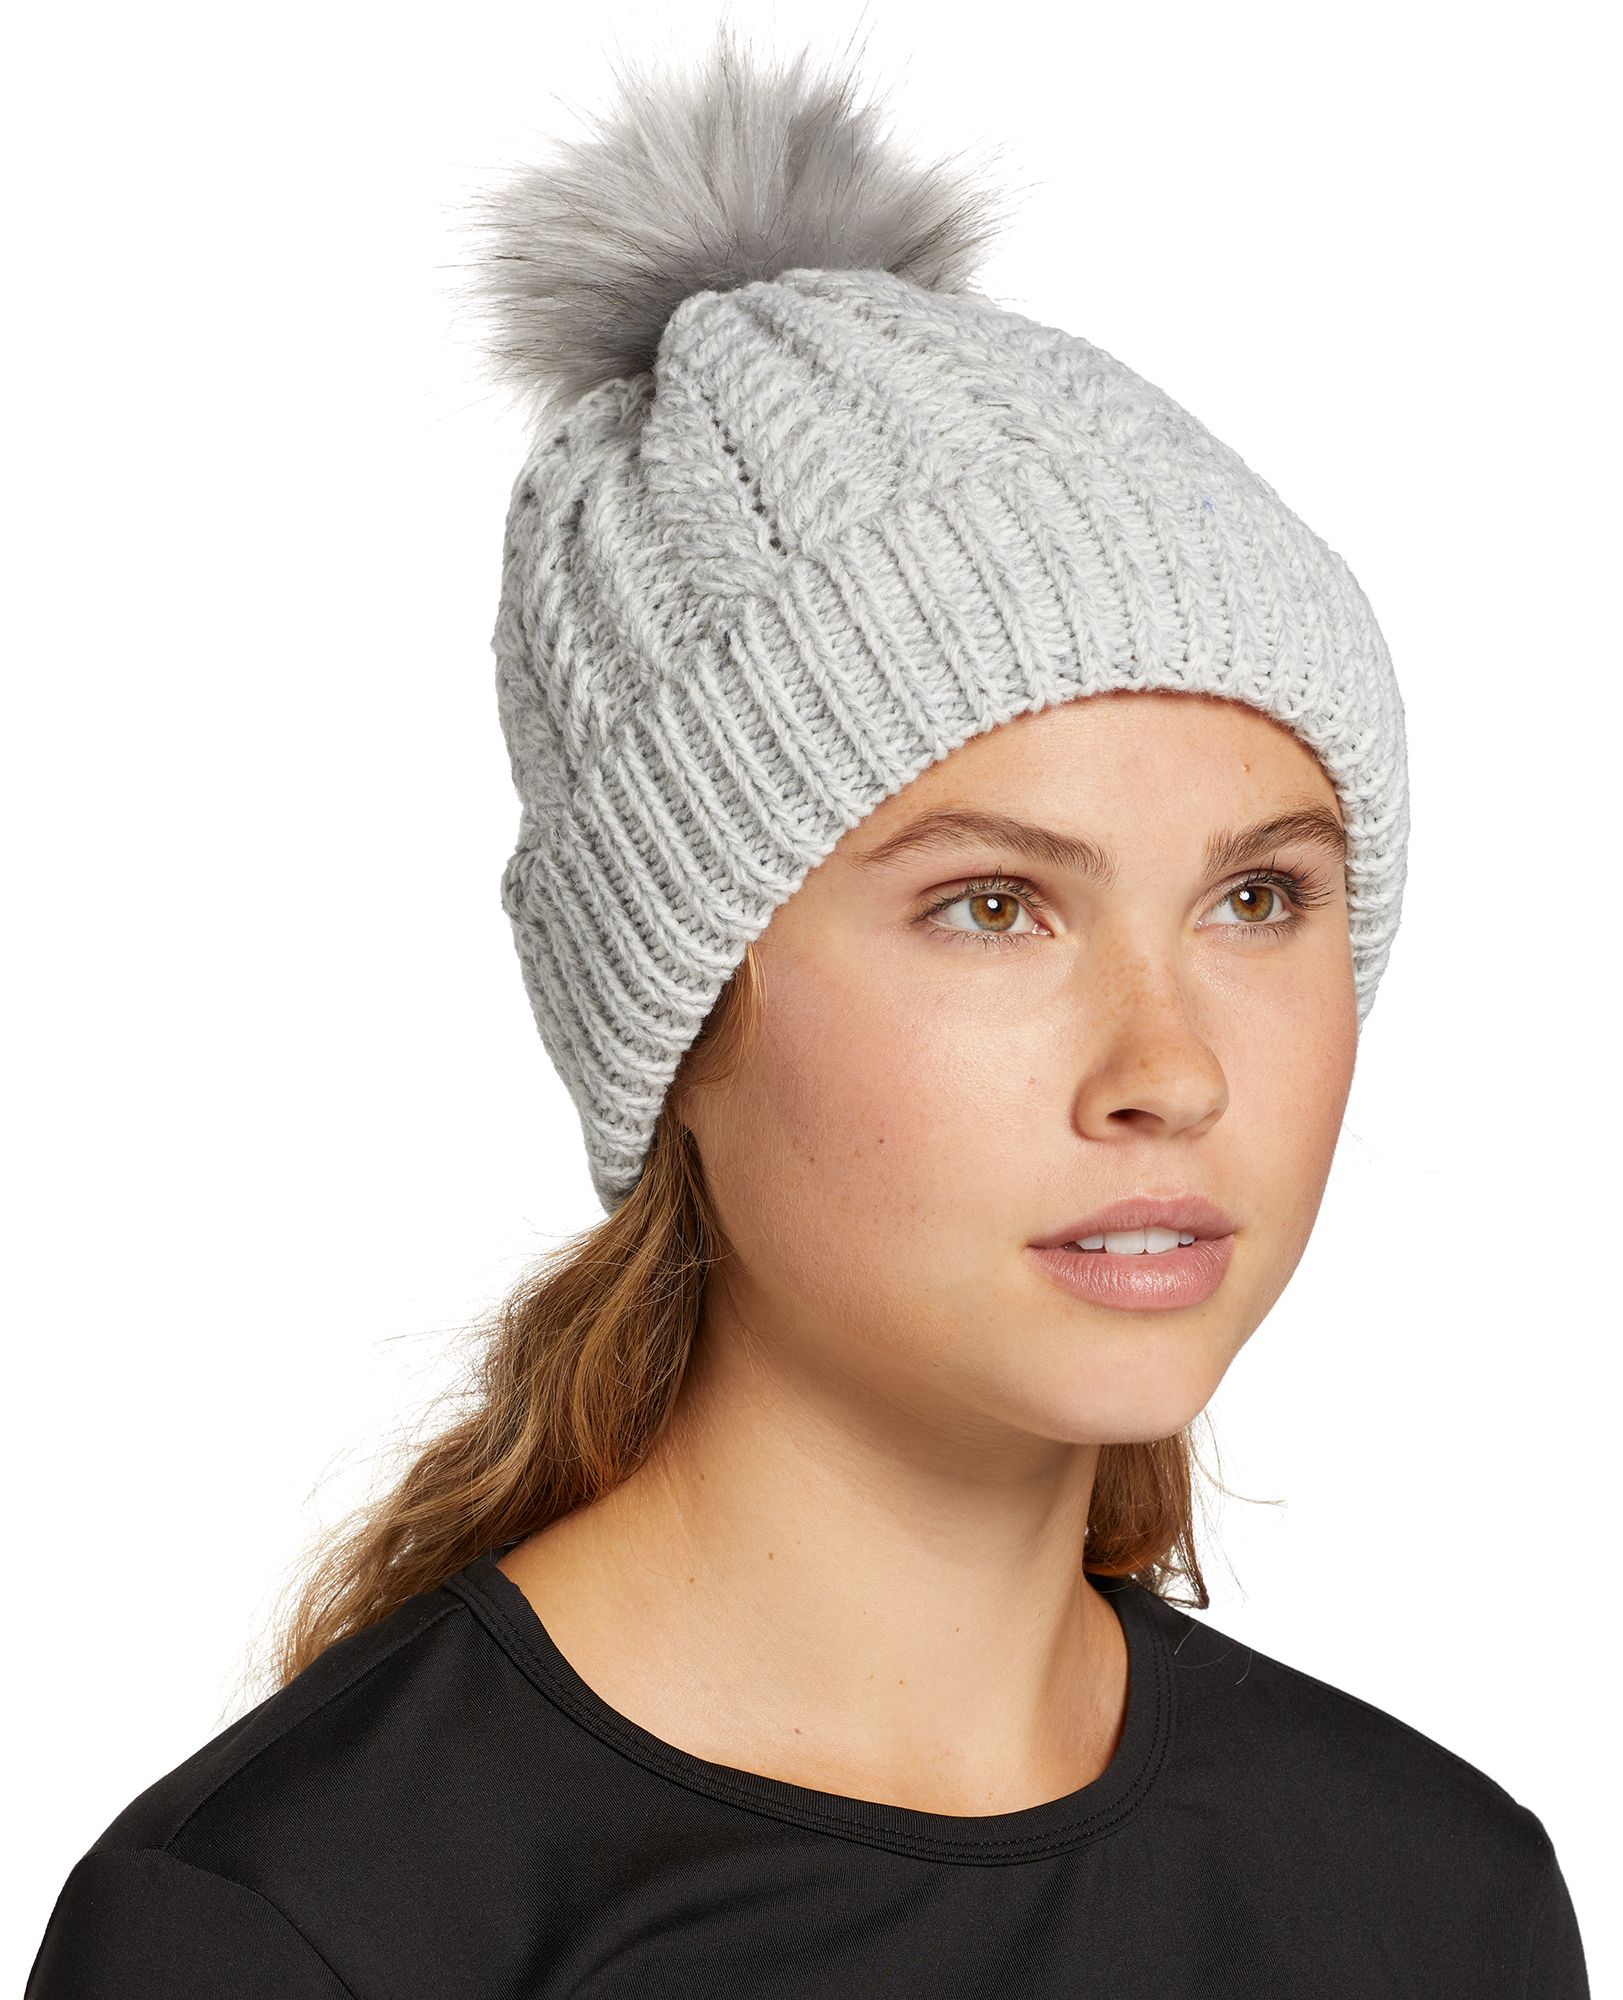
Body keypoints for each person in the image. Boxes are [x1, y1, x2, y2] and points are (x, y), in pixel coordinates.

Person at [26, 23, 1589, 1998]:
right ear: (677, 1010)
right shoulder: (299, 1931)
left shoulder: (1433, 1900)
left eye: (1255, 897)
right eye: (992, 907)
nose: (1172, 1069)